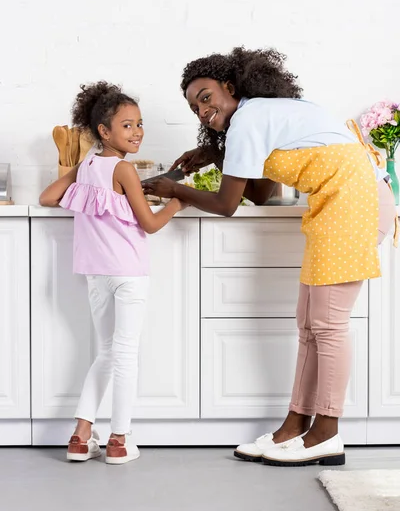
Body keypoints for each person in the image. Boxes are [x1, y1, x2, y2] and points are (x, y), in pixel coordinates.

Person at [143, 47, 397, 467]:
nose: (201, 111)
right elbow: (261, 193)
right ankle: (294, 427)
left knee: (327, 326)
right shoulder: (257, 119)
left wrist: (175, 189)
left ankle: (326, 432)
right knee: (310, 325)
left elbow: (227, 204)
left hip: (355, 202)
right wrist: (215, 154)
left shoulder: (249, 118)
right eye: (193, 107)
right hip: (339, 205)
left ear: (229, 88)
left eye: (205, 97)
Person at [40, 81, 187, 464]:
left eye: (139, 124)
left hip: (95, 275)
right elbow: (151, 224)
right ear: (104, 131)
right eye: (127, 125)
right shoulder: (123, 169)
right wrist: (178, 202)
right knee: (125, 354)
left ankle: (80, 435)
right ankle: (119, 439)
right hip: (128, 274)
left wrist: (80, 179)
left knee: (106, 352)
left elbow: (47, 198)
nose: (137, 131)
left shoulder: (86, 165)